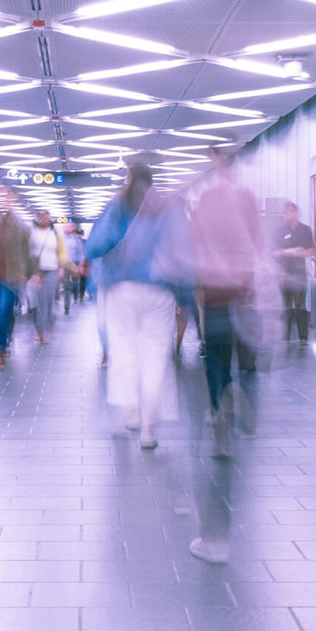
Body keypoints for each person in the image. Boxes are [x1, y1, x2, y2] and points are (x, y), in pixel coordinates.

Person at [87, 162, 188, 451]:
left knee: (125, 351)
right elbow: (183, 253)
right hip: (160, 291)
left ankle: (132, 409)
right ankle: (148, 429)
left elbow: (95, 247)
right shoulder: (169, 208)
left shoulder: (118, 205)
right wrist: (185, 297)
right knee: (156, 357)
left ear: (129, 177)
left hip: (122, 290)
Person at [192, 146, 265, 461]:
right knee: (238, 354)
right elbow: (257, 241)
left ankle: (218, 407)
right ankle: (232, 401)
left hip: (214, 288)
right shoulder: (247, 198)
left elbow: (194, 241)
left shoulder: (207, 200)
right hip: (239, 288)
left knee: (216, 355)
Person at [0, 192, 32, 370]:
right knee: (0, 313)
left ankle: (2, 348)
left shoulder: (21, 226)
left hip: (11, 277)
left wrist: (25, 272)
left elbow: (28, 251)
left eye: (8, 198)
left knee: (3, 312)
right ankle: (3, 345)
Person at [27, 209, 73, 344]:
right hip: (38, 271)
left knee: (49, 300)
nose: (43, 219)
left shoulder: (55, 232)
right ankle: (41, 332)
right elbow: (29, 253)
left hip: (53, 269)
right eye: (40, 216)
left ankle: (47, 326)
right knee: (41, 302)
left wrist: (61, 267)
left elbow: (61, 251)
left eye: (46, 216)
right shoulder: (32, 233)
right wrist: (34, 272)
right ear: (37, 219)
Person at [273, 202, 314, 346]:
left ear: (296, 212)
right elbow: (274, 252)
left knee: (300, 305)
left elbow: (311, 251)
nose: (287, 215)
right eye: (285, 212)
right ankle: (285, 337)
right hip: (284, 274)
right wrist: (287, 252)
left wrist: (299, 253)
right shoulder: (279, 231)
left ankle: (303, 338)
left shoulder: (305, 230)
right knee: (285, 305)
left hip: (299, 275)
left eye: (290, 211)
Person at [63, 225, 88, 313]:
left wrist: (80, 265)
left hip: (74, 264)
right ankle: (67, 306)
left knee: (75, 282)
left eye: (70, 227)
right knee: (66, 285)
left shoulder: (76, 239)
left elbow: (80, 252)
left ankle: (76, 297)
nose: (67, 228)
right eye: (66, 227)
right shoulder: (60, 238)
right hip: (64, 264)